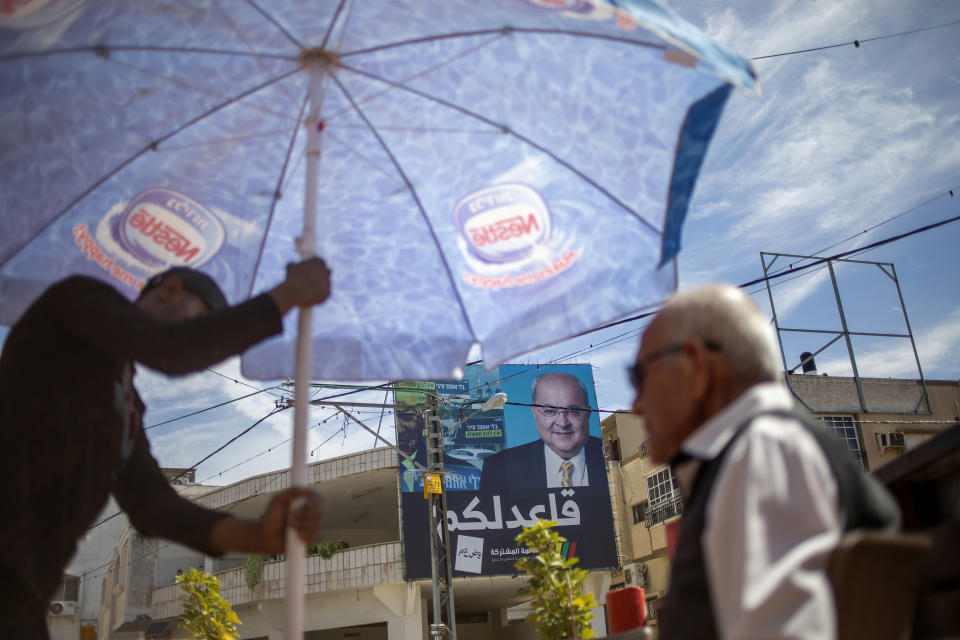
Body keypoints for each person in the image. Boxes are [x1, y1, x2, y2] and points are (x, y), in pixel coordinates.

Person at [0, 259, 332, 638]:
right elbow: (171, 348)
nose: (202, 341)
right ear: (169, 288)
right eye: (199, 322)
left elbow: (152, 506)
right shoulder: (76, 300)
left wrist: (258, 535)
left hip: (22, 596)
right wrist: (288, 295)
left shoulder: (126, 407)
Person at [630, 284, 899, 640]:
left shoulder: (764, 453)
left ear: (694, 365)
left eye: (640, 377)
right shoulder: (757, 454)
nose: (636, 404)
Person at [479, 371, 605, 491]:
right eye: (550, 411)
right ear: (535, 413)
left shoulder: (607, 456)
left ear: (588, 413)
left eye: (573, 411)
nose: (562, 422)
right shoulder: (499, 469)